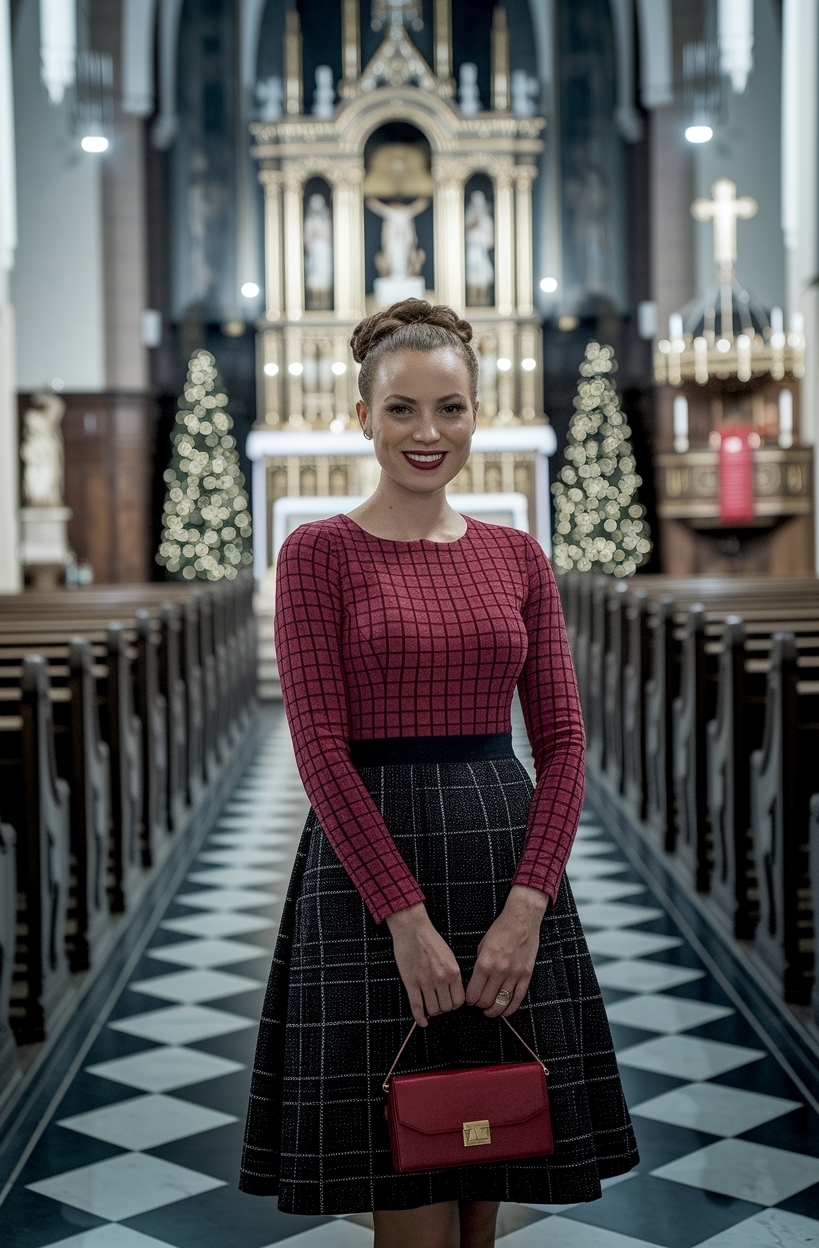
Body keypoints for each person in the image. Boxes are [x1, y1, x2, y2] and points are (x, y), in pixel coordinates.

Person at [239, 300, 638, 1248]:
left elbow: (564, 741)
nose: (429, 432)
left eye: (450, 408)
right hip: (370, 882)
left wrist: (528, 907)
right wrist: (405, 922)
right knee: (409, 1194)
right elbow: (319, 750)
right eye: (403, 409)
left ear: (476, 415)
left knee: (489, 1168)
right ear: (363, 416)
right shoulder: (317, 553)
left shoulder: (518, 556)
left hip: (503, 869)